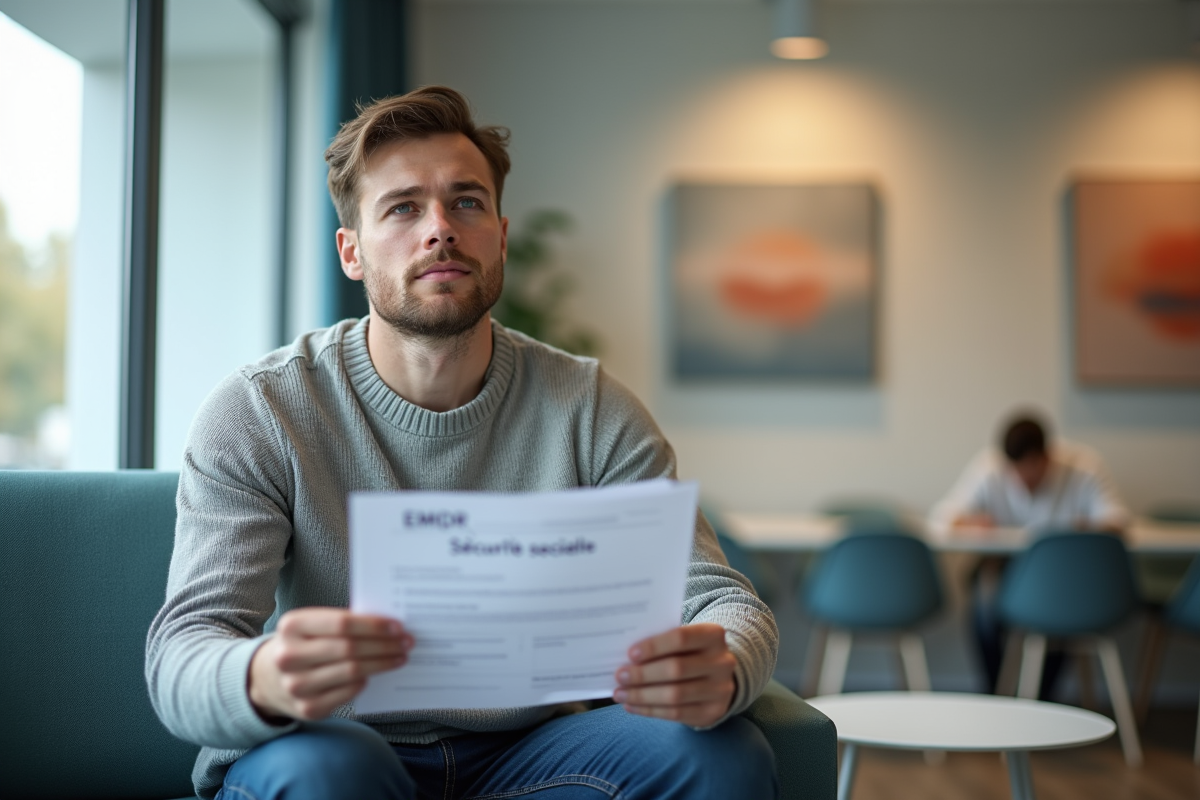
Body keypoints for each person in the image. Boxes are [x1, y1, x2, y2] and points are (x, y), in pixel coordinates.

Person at [145, 86, 779, 800]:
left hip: (532, 752)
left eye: (467, 202)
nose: (440, 228)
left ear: (501, 238)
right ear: (351, 252)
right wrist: (260, 675)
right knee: (331, 772)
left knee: (724, 757)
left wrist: (723, 665)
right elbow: (183, 653)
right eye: (403, 207)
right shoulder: (261, 409)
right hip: (337, 746)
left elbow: (719, 597)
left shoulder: (592, 408)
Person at [930, 412, 1129, 695]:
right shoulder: (990, 468)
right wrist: (971, 522)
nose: (1024, 478)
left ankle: (1041, 698)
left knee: (1062, 615)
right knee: (983, 605)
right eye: (1017, 470)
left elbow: (1117, 521)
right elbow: (942, 518)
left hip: (1064, 580)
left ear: (1048, 455)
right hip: (1004, 574)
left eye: (1032, 468)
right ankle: (995, 695)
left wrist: (1082, 528)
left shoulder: (1083, 467)